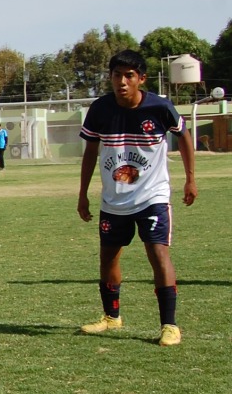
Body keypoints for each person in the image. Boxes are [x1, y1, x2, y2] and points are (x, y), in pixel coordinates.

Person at [76, 50, 198, 346]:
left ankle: (170, 325)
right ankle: (111, 317)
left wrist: (190, 179)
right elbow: (90, 151)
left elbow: (183, 136)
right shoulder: (100, 109)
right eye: (117, 75)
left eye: (129, 76)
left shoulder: (160, 107)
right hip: (114, 199)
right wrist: (82, 194)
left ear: (141, 79)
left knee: (158, 254)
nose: (122, 81)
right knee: (108, 258)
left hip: (151, 197)